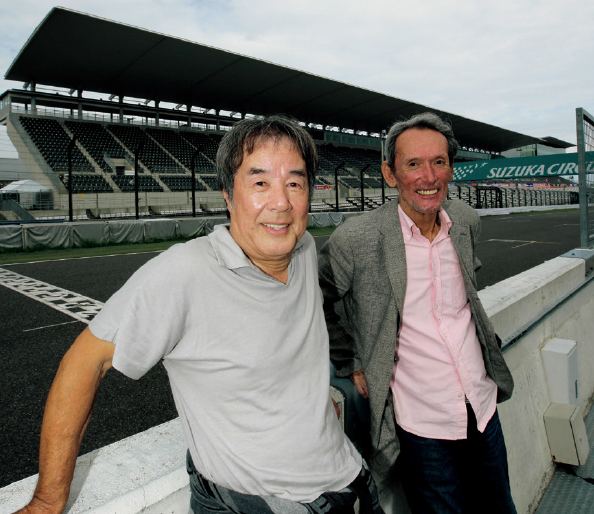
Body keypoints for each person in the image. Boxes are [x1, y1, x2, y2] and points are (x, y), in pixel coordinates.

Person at [14, 115, 384, 514]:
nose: (281, 203)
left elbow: (304, 327)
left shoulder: (304, 248)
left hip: (352, 480)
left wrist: (317, 398)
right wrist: (48, 501)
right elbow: (84, 363)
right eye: (260, 183)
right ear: (228, 195)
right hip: (265, 504)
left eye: (294, 183)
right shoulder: (185, 271)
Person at [318, 112, 516, 514]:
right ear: (390, 174)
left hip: (482, 406)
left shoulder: (465, 221)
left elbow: (467, 285)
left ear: (451, 169)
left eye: (439, 162)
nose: (429, 176)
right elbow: (320, 300)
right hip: (422, 423)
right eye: (413, 164)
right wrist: (349, 358)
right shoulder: (356, 239)